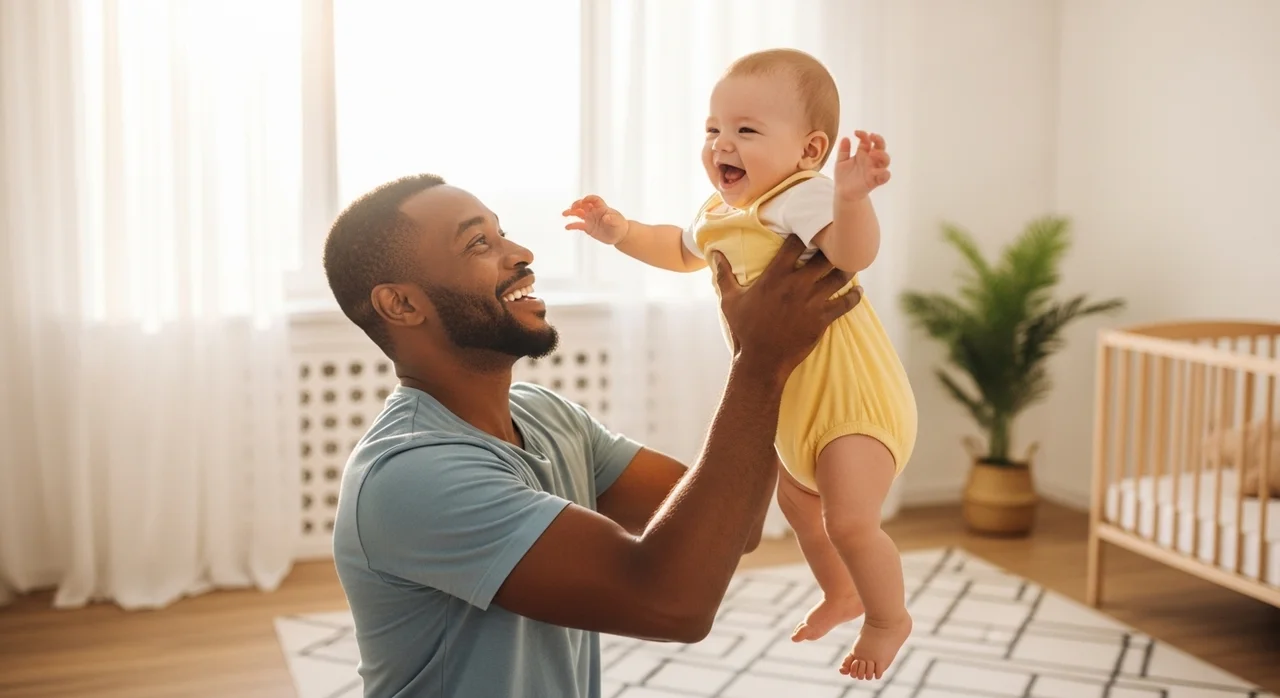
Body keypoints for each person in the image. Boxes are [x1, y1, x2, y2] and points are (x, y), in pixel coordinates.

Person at [322, 172, 863, 697]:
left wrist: (782, 354)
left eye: (502, 230)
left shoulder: (544, 415)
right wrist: (762, 361)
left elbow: (733, 531)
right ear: (402, 304)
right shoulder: (410, 476)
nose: (520, 253)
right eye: (478, 243)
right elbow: (672, 602)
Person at [563, 47, 917, 681]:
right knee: (802, 510)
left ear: (809, 151)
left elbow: (852, 252)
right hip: (795, 404)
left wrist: (853, 199)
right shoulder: (719, 215)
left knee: (850, 520)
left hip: (852, 401)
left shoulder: (802, 197)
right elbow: (677, 249)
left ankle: (888, 618)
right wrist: (621, 232)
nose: (722, 144)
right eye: (713, 129)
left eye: (746, 130)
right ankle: (842, 591)